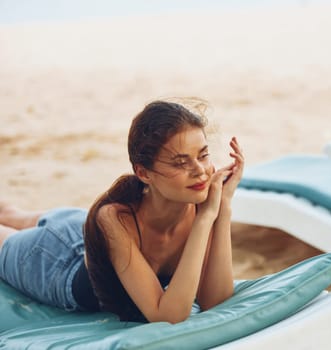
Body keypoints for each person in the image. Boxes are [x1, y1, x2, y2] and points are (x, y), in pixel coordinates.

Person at [0, 100, 244, 323]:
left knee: (10, 212)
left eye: (203, 155)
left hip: (83, 225)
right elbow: (166, 316)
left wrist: (221, 209)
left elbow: (215, 300)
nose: (200, 171)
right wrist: (205, 220)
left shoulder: (200, 206)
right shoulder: (114, 218)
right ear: (143, 173)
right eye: (181, 163)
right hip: (54, 259)